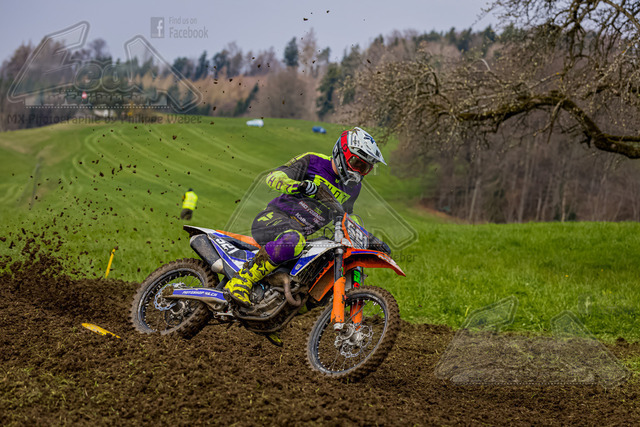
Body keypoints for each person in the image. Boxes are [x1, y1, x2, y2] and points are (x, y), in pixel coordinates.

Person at [223, 127, 390, 345]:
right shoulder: (313, 161)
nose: (359, 172)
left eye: (365, 168)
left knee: (317, 275)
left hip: (300, 235)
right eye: (357, 163)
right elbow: (273, 178)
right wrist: (300, 186)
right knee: (294, 240)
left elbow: (345, 218)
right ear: (342, 153)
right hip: (273, 220)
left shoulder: (353, 188)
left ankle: (271, 317)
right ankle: (241, 281)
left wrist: (371, 240)